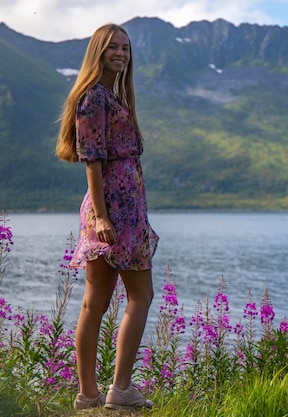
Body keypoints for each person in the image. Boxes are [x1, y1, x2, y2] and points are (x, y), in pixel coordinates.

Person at [56, 23, 159, 410]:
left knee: (96, 302)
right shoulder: (94, 98)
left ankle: (89, 396)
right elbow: (92, 159)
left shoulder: (107, 97)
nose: (121, 53)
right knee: (139, 295)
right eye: (113, 47)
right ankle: (119, 389)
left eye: (126, 48)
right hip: (114, 211)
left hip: (120, 209)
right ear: (98, 51)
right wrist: (101, 216)